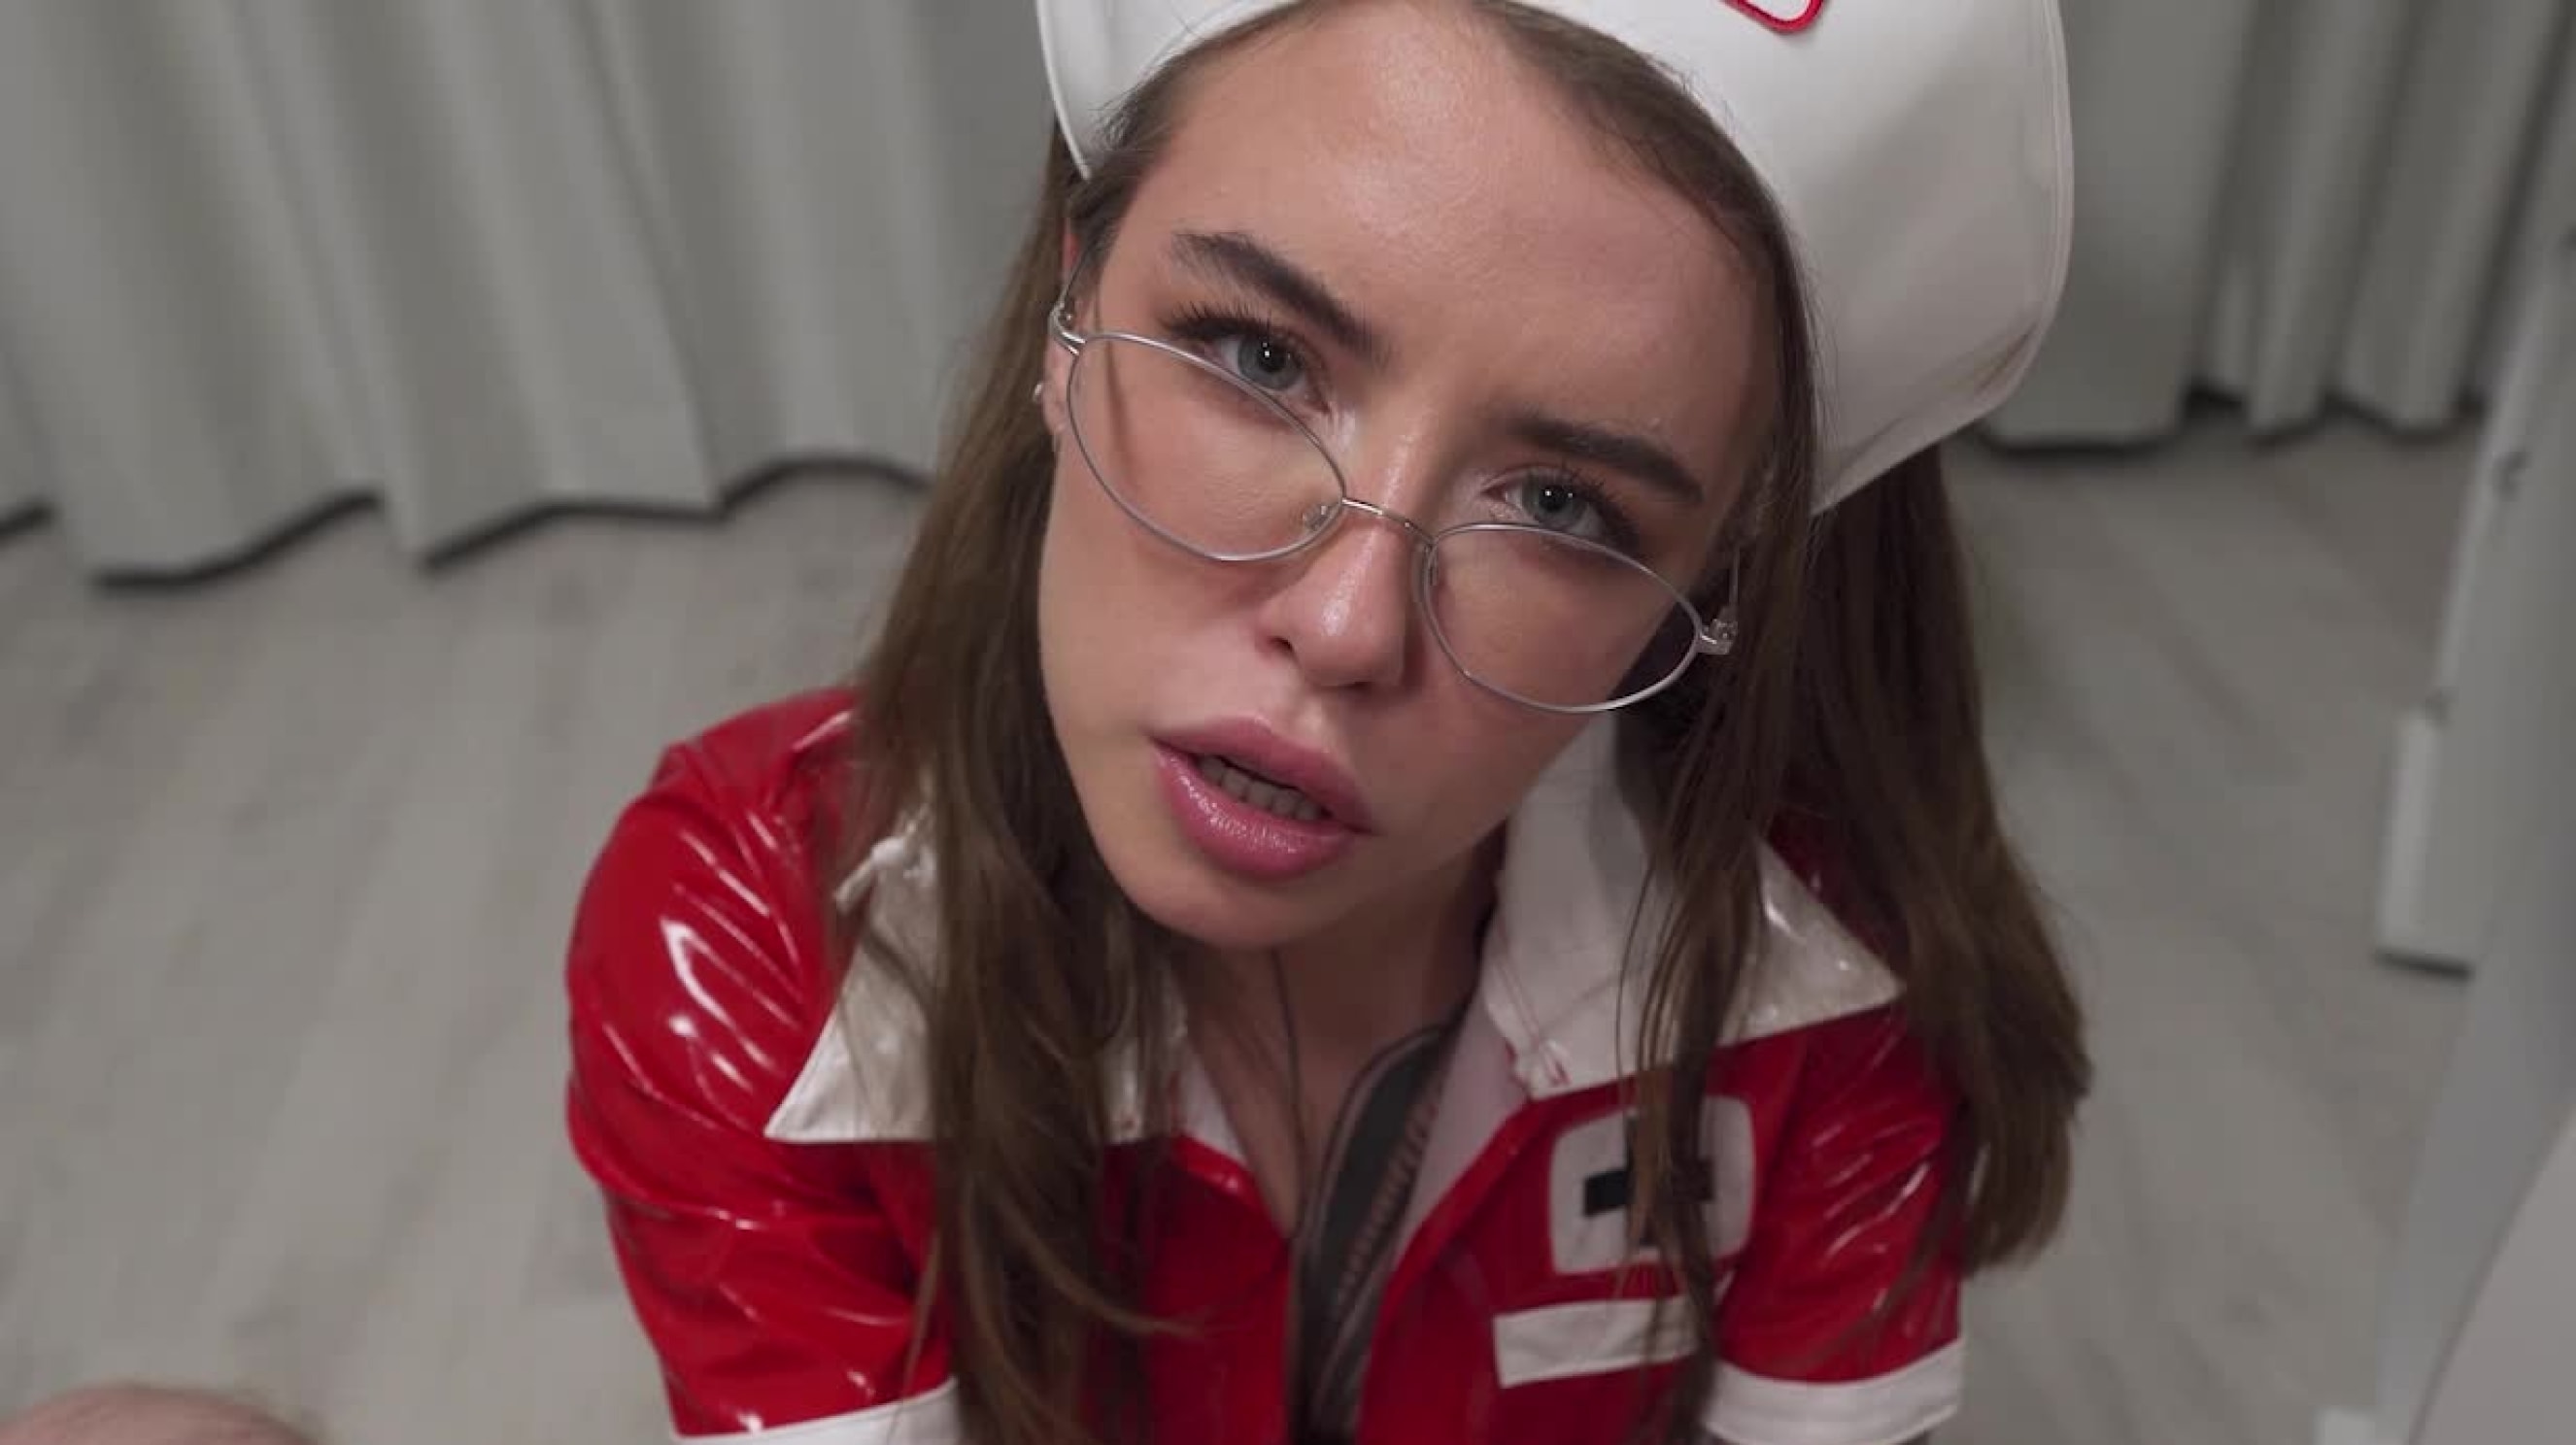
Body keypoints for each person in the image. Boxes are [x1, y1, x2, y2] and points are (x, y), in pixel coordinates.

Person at [564, 1, 2090, 1442]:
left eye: (1561, 506)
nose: (1351, 625)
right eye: (1262, 358)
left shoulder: (1839, 972)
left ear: (1709, 579)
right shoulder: (758, 929)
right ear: (1068, 299)